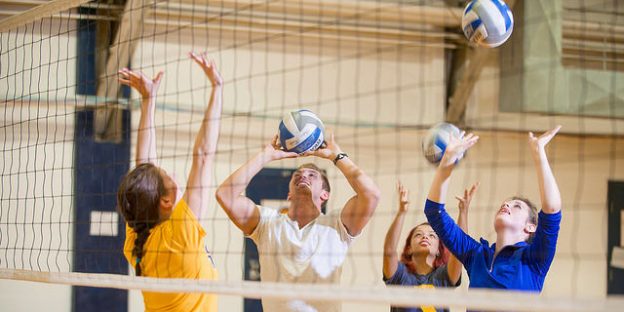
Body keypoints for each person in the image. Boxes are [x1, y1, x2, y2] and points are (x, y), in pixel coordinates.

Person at [215, 132, 381, 311]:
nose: (303, 176)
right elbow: (225, 195)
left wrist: (336, 156)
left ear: (325, 195)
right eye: (297, 175)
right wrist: (265, 156)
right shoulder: (268, 223)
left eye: (312, 175)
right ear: (289, 194)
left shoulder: (336, 225)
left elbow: (371, 195)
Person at [116, 52, 223, 311]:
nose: (170, 172)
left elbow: (144, 166)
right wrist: (217, 88)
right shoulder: (178, 236)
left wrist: (148, 100)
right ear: (165, 200)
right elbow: (202, 156)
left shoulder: (138, 238)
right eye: (167, 175)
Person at [424, 126, 562, 291]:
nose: (506, 205)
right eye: (505, 203)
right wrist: (447, 161)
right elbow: (434, 212)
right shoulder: (476, 255)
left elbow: (552, 209)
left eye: (516, 206)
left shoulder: (534, 258)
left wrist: (539, 152)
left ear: (531, 227)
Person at [383, 181, 477, 312]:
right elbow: (389, 251)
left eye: (432, 235)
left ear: (439, 250)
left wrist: (463, 212)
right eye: (418, 235)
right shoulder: (400, 274)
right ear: (409, 248)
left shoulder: (443, 276)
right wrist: (401, 212)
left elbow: (460, 248)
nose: (425, 237)